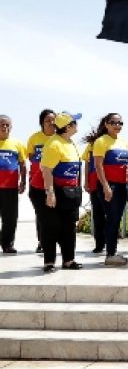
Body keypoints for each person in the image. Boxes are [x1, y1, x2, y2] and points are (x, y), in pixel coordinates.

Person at [40, 111, 83, 272]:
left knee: (69, 228)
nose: (77, 126)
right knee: (52, 227)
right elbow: (47, 170)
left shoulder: (71, 143)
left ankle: (68, 260)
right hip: (57, 191)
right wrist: (50, 193)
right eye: (75, 123)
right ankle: (49, 262)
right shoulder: (54, 144)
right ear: (67, 127)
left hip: (72, 191)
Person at [92, 113, 128, 266]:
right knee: (112, 218)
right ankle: (110, 254)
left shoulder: (124, 142)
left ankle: (112, 252)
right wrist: (106, 186)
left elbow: (126, 168)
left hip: (122, 186)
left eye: (120, 123)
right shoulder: (101, 141)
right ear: (106, 124)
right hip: (109, 185)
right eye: (113, 122)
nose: (117, 125)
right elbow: (98, 166)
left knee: (116, 219)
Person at [26, 109, 56, 253]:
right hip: (37, 183)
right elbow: (31, 157)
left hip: (55, 182)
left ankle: (53, 241)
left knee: (54, 214)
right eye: (47, 120)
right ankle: (42, 241)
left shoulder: (59, 138)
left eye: (53, 120)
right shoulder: (34, 138)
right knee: (41, 214)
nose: (51, 123)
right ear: (42, 123)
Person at [0, 115, 27, 254]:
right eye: (2, 124)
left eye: (7, 125)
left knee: (10, 218)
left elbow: (23, 164)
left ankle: (7, 244)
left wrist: (23, 181)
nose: (4, 127)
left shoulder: (18, 144)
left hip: (10, 188)